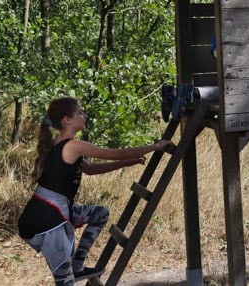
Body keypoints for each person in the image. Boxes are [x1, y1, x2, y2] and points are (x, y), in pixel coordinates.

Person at [17, 97, 172, 285]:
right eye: (80, 113)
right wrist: (155, 146)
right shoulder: (73, 146)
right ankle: (73, 271)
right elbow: (117, 152)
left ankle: (77, 266)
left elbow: (91, 170)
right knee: (65, 282)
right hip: (47, 220)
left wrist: (127, 163)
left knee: (99, 214)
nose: (84, 115)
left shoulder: (61, 145)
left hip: (49, 214)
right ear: (67, 120)